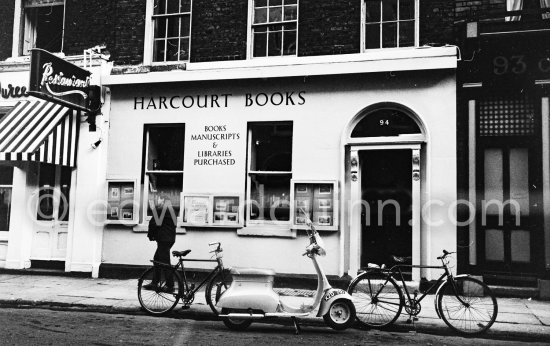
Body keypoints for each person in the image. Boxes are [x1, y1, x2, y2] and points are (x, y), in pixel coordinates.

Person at [143, 194, 177, 292]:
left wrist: (151, 235)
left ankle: (170, 286)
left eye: (158, 199)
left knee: (165, 263)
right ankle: (155, 282)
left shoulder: (162, 209)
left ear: (163, 200)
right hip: (170, 239)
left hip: (163, 239)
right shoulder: (172, 210)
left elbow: (153, 223)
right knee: (157, 259)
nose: (157, 201)